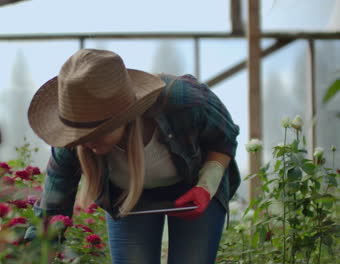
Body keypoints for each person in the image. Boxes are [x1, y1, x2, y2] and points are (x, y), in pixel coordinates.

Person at [26, 48, 240, 264]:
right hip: (128, 198)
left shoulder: (184, 102)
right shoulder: (72, 142)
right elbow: (51, 212)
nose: (87, 142)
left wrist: (206, 186)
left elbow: (224, 139)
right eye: (81, 135)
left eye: (97, 132)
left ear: (125, 117)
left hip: (194, 186)